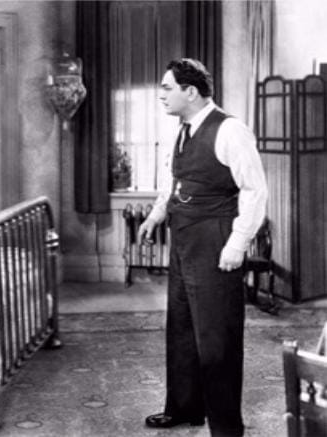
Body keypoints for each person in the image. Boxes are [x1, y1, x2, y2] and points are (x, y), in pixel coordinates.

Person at [139, 58, 268, 437]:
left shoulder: (230, 130)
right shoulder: (182, 130)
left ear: (191, 92)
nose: (162, 95)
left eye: (167, 88)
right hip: (184, 239)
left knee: (216, 336)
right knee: (181, 326)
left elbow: (255, 191)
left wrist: (237, 243)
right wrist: (156, 214)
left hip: (216, 240)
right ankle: (184, 408)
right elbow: (174, 180)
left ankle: (226, 428)